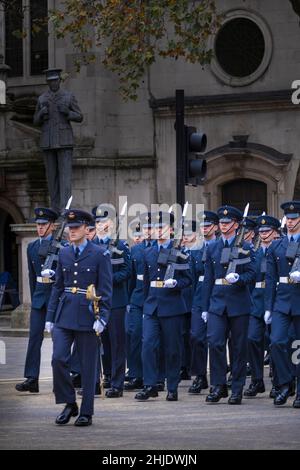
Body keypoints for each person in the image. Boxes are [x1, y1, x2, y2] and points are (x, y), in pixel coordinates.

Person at [45, 209, 112, 426]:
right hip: (64, 314)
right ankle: (69, 402)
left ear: (86, 229)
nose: (71, 231)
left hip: (87, 313)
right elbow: (57, 287)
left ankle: (86, 411)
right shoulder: (64, 253)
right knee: (58, 359)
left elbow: (106, 290)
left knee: (88, 365)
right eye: (69, 228)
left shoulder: (100, 254)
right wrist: (50, 316)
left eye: (75, 228)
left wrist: (102, 318)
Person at [135, 211, 192, 401]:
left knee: (172, 349)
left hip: (172, 305)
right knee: (148, 345)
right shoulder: (148, 252)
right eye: (156, 228)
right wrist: (146, 305)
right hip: (152, 306)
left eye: (163, 227)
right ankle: (150, 384)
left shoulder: (180, 253)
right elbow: (145, 283)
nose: (159, 231)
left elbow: (188, 279)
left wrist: (176, 283)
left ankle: (172, 386)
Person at [202, 205, 256, 405]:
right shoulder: (213, 247)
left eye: (227, 223)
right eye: (221, 223)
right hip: (217, 302)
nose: (224, 226)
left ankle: (237, 387)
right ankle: (218, 385)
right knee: (215, 342)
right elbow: (208, 279)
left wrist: (239, 278)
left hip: (238, 303)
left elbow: (252, 274)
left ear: (236, 224)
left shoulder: (246, 247)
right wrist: (205, 307)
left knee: (238, 347)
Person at [16, 207, 58, 393]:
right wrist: (35, 298)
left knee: (59, 339)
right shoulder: (32, 247)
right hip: (40, 298)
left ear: (52, 226)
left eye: (43, 225)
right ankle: (32, 378)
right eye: (38, 225)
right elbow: (32, 277)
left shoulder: (61, 246)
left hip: (55, 298)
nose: (40, 228)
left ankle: (62, 379)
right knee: (34, 338)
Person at [93, 204, 131, 397]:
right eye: (98, 222)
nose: (101, 225)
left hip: (116, 301)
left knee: (117, 343)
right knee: (101, 342)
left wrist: (107, 281)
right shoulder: (92, 246)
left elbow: (126, 272)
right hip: (96, 301)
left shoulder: (120, 245)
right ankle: (105, 376)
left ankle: (117, 383)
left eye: (104, 221)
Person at [265, 201, 300, 408]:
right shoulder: (277, 245)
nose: (291, 222)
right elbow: (270, 278)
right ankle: (286, 383)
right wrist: (268, 307)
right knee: (277, 342)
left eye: (295, 219)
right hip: (282, 300)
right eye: (288, 219)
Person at [33, 68, 83, 213]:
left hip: (64, 141)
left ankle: (65, 209)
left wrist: (68, 113)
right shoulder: (42, 99)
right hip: (48, 142)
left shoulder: (68, 96)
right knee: (51, 177)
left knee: (65, 178)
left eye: (55, 80)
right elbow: (35, 120)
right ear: (47, 82)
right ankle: (55, 208)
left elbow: (80, 116)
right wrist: (41, 114)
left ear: (59, 81)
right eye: (50, 81)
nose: (53, 83)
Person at [244, 215, 280, 397]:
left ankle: (278, 382)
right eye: (262, 232)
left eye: (267, 231)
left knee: (275, 343)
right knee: (252, 339)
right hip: (256, 301)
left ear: (275, 232)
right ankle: (257, 380)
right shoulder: (254, 253)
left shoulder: (280, 250)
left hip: (275, 300)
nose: (264, 235)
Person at [189, 211, 219, 394]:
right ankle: (200, 375)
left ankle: (218, 377)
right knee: (196, 336)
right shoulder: (196, 250)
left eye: (208, 226)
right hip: (199, 297)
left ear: (215, 227)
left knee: (216, 340)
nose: (204, 229)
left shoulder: (219, 247)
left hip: (217, 296)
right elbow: (192, 278)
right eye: (203, 226)